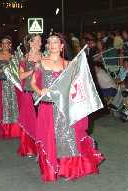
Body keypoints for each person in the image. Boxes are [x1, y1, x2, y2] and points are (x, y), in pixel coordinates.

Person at [30, 34, 104, 182]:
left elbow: (76, 86)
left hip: (64, 108)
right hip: (48, 107)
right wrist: (40, 91)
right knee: (50, 139)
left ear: (62, 46)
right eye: (49, 42)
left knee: (67, 139)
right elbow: (32, 83)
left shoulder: (69, 65)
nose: (52, 45)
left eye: (55, 42)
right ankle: (52, 169)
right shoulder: (40, 62)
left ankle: (68, 169)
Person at [0, 36, 22, 138]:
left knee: (13, 107)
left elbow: (19, 71)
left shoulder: (14, 57)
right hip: (1, 84)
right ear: (1, 45)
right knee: (2, 107)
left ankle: (14, 131)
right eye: (3, 43)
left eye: (7, 43)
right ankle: (3, 131)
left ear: (10, 45)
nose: (5, 45)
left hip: (12, 85)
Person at [17, 34, 42, 157]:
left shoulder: (45, 57)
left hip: (41, 94)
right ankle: (30, 148)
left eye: (40, 41)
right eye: (37, 41)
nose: (40, 43)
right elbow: (20, 76)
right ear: (31, 43)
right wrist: (33, 70)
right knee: (29, 121)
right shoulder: (24, 58)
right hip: (28, 93)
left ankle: (41, 148)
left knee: (40, 122)